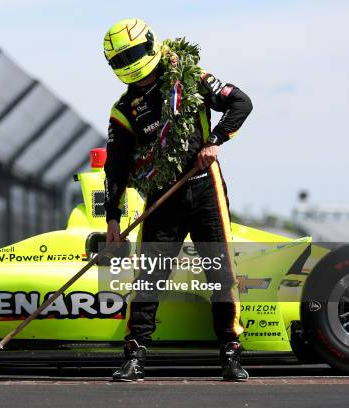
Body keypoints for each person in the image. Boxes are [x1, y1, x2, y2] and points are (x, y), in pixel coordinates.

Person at [102, 19, 253, 381]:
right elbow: (115, 169)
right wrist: (112, 220)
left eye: (134, 54)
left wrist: (215, 140)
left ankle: (231, 352)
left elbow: (241, 103)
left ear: (150, 46)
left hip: (205, 187)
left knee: (221, 272)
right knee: (148, 278)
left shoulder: (192, 78)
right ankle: (135, 354)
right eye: (121, 59)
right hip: (161, 196)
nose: (131, 64)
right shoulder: (123, 110)